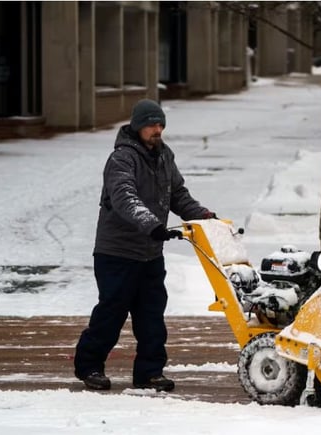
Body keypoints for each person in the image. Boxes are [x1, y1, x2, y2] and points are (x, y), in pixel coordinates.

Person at [74, 99, 216, 392]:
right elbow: (125, 197)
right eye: (152, 124)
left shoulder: (165, 156)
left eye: (160, 124)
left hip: (150, 252)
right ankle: (89, 366)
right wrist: (152, 224)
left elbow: (177, 194)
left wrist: (202, 215)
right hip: (117, 252)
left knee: (152, 315)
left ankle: (149, 373)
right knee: (111, 312)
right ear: (138, 126)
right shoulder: (121, 159)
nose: (157, 130)